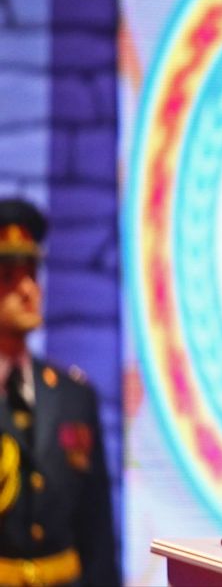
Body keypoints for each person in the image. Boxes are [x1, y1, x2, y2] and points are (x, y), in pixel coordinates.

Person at [0, 199, 119, 586]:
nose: (28, 289)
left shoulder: (73, 395)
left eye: (32, 273)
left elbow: (97, 530)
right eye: (8, 277)